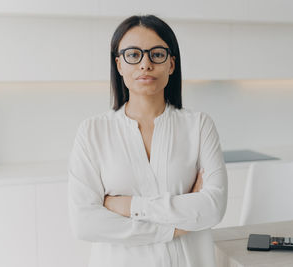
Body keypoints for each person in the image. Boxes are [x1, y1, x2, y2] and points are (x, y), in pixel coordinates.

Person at [68, 14, 228, 267]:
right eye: (133, 55)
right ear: (119, 65)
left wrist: (128, 206)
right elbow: (85, 223)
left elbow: (213, 208)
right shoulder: (92, 131)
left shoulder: (199, 126)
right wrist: (174, 229)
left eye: (157, 54)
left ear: (171, 64)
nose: (145, 64)